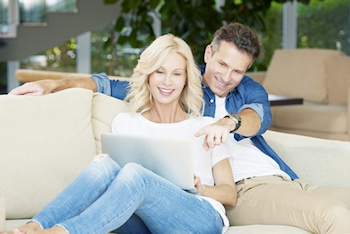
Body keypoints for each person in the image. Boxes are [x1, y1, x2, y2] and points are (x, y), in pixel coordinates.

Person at [9, 22, 350, 233]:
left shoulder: (243, 94)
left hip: (279, 177)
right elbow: (107, 83)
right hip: (238, 191)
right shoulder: (174, 91)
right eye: (221, 64)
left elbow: (258, 117)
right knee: (112, 167)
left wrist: (227, 123)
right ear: (207, 55)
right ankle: (37, 228)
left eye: (237, 71)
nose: (226, 77)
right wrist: (53, 84)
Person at [3, 34, 236, 234]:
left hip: (200, 218)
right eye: (159, 71)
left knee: (135, 173)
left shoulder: (208, 127)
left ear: (186, 80)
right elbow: (113, 187)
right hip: (142, 222)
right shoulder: (126, 122)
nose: (167, 82)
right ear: (148, 75)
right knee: (104, 164)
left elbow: (230, 194)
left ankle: (62, 232)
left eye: (176, 74)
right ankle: (35, 226)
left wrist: (200, 187)